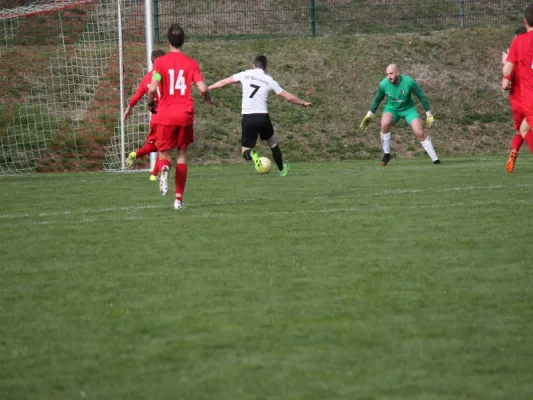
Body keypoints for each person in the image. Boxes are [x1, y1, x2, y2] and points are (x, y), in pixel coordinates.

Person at [208, 55, 312, 176]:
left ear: (253, 65)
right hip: (262, 116)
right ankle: (282, 170)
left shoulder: (245, 74)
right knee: (273, 143)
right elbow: (288, 97)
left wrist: (209, 88)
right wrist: (302, 102)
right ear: (265, 67)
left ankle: (251, 155)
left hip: (248, 116)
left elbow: (223, 82)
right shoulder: (268, 79)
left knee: (245, 151)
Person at [147, 24, 212, 210]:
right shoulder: (191, 63)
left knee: (164, 153)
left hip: (166, 114)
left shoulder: (160, 62)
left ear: (168, 41)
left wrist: (151, 103)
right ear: (183, 41)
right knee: (182, 154)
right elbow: (202, 88)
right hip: (184, 115)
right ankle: (178, 200)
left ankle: (164, 168)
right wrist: (208, 98)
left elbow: (152, 89)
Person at [359, 64, 439, 166]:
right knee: (384, 124)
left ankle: (435, 160)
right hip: (392, 109)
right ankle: (387, 155)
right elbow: (377, 99)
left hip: (408, 109)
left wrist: (429, 114)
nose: (389, 76)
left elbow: (421, 96)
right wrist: (369, 115)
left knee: (419, 133)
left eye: (391, 73)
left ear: (397, 72)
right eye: (387, 74)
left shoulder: (409, 82)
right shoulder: (383, 84)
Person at [123, 49, 166, 180]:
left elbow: (137, 96)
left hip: (155, 118)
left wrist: (128, 108)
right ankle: (153, 173)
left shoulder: (147, 78)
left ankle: (151, 171)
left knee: (159, 145)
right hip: (165, 116)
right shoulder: (164, 76)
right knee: (164, 146)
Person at [503, 5, 533, 168]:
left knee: (522, 131)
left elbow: (505, 80)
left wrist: (506, 61)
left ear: (525, 20)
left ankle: (514, 152)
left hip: (525, 100)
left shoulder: (519, 42)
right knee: (524, 130)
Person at [502, 26, 527, 173]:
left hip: (517, 103)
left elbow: (505, 85)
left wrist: (505, 65)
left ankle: (514, 153)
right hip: (530, 101)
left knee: (520, 132)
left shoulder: (511, 60)